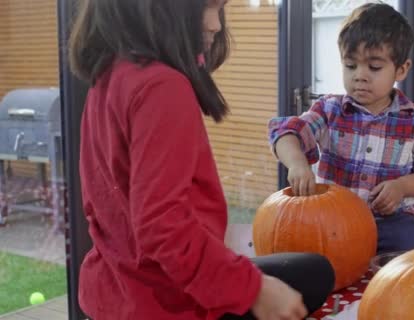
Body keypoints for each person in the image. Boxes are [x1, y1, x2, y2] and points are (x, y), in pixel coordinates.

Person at [68, 0, 334, 319]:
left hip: (115, 289)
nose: (216, 25)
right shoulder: (162, 87)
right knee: (311, 278)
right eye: (208, 7)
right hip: (165, 302)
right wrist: (255, 290)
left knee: (315, 271)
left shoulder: (111, 75)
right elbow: (162, 227)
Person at [268, 3, 414, 255]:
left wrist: (401, 187)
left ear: (401, 69)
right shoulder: (330, 109)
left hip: (390, 223)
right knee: (309, 254)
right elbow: (286, 133)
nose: (360, 76)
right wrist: (297, 163)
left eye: (374, 68)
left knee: (411, 248)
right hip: (334, 222)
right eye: (350, 65)